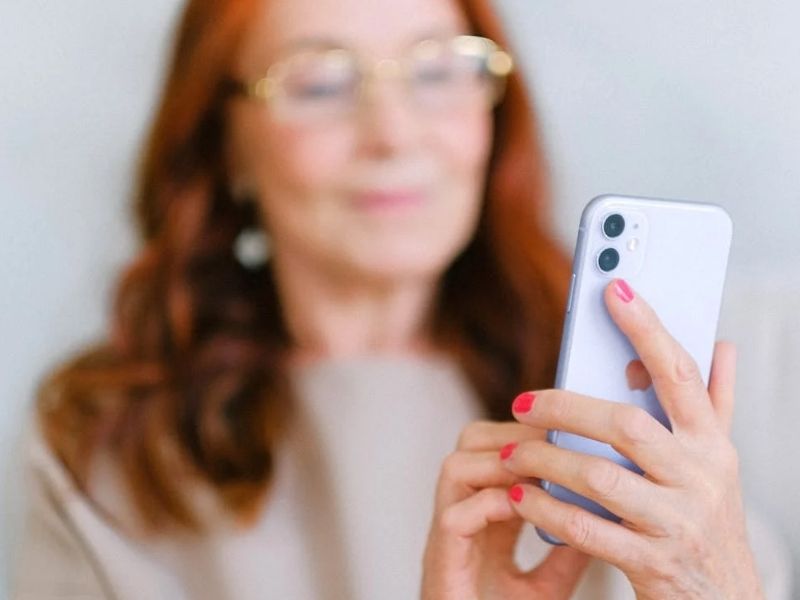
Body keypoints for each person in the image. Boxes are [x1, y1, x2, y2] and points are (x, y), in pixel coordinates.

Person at [11, 0, 788, 598]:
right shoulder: (103, 448)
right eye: (320, 82)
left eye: (439, 70)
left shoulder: (645, 409)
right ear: (225, 147)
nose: (392, 133)